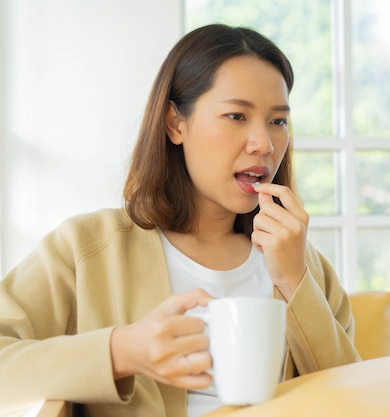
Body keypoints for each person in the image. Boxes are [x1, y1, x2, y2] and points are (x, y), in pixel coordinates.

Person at [0, 23, 360, 417]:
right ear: (176, 124)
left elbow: (355, 400)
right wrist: (123, 351)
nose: (264, 144)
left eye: (278, 121)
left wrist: (295, 282)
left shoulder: (305, 265)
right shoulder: (86, 248)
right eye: (237, 115)